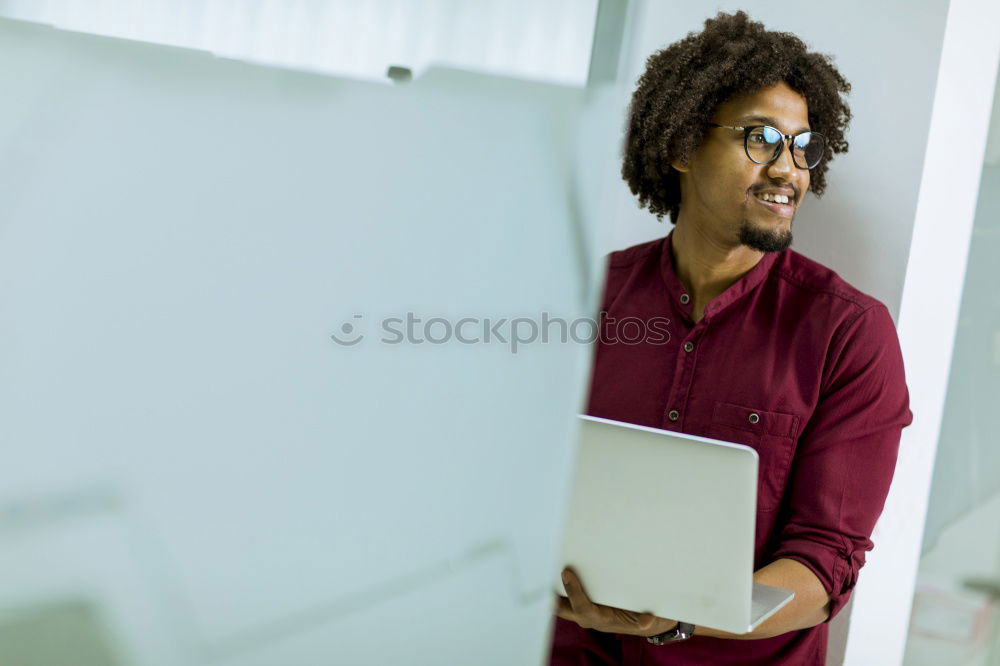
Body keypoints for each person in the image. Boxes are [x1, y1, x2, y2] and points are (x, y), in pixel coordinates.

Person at [548, 10, 913, 666]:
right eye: (762, 138)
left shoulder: (848, 334)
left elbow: (824, 566)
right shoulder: (582, 296)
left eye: (803, 146)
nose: (789, 170)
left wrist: (676, 621)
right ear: (682, 147)